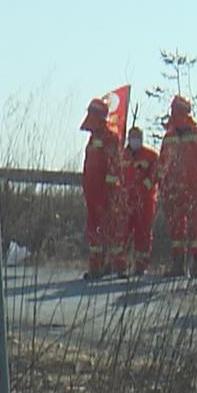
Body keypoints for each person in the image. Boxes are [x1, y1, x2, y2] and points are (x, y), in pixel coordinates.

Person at [157, 96, 197, 277]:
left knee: (196, 229)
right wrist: (164, 188)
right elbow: (162, 165)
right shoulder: (169, 137)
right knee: (176, 230)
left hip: (193, 191)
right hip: (173, 192)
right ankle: (177, 265)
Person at [78, 99, 123, 279]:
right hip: (92, 193)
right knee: (94, 229)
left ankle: (112, 266)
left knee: (107, 228)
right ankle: (97, 266)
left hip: (104, 194)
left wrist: (108, 191)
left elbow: (113, 167)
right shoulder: (94, 137)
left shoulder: (110, 138)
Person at [120, 126, 160, 276]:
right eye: (133, 137)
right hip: (125, 201)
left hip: (145, 202)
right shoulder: (121, 155)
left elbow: (155, 175)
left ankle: (141, 266)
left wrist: (142, 189)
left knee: (143, 233)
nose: (135, 140)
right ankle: (120, 266)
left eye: (138, 137)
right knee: (122, 233)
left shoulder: (151, 156)